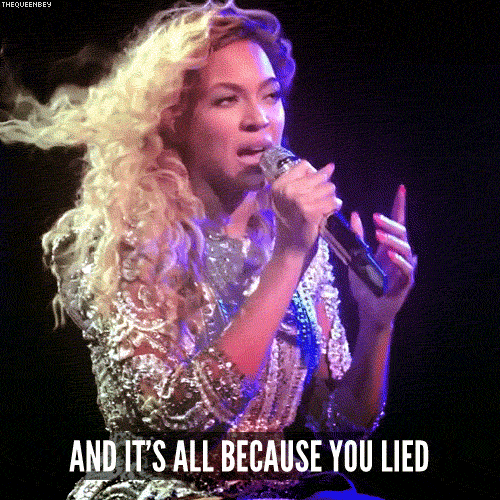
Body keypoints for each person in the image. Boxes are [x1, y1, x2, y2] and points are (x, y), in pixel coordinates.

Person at [0, 1, 417, 498]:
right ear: (174, 119)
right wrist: (287, 257)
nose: (259, 120)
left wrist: (377, 322)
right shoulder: (119, 242)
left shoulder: (299, 238)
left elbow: (341, 428)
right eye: (226, 100)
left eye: (271, 96)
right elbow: (183, 421)